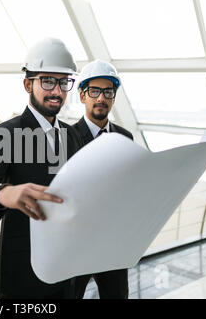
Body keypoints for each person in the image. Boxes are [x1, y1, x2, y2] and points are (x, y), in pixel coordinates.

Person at [0, 38, 83, 299]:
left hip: (65, 272)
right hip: (22, 276)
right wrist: (4, 194)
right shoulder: (7, 133)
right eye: (48, 81)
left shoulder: (72, 136)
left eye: (64, 82)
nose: (57, 91)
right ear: (28, 84)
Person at [72, 59, 133, 299]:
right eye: (94, 91)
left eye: (108, 92)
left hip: (112, 243)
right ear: (82, 96)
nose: (101, 98)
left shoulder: (125, 137)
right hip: (77, 244)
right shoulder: (66, 138)